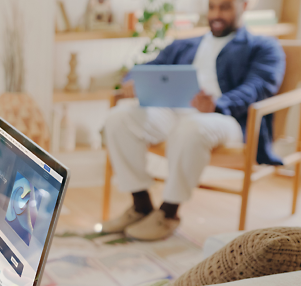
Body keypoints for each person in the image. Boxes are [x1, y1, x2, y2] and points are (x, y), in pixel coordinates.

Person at [102, 0, 285, 240]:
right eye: (212, 7)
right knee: (118, 118)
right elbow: (149, 67)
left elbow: (259, 87)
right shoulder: (185, 44)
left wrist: (218, 104)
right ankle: (141, 205)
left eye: (225, 8)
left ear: (244, 6)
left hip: (224, 117)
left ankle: (168, 214)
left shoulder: (264, 47)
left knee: (191, 128)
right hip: (174, 112)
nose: (216, 14)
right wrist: (131, 81)